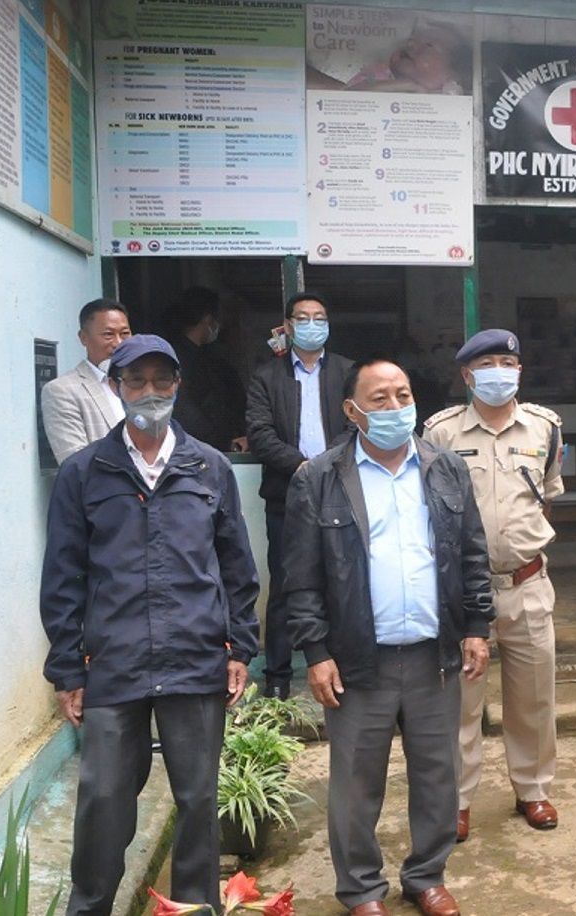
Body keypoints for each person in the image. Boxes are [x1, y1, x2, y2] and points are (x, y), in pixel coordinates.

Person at [40, 334, 260, 915]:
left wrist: (240, 646)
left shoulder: (209, 467)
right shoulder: (85, 472)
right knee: (104, 799)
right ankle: (90, 907)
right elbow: (63, 576)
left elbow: (237, 566)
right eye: (136, 381)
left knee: (198, 798)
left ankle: (193, 909)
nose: (150, 392)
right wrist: (68, 668)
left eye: (162, 380)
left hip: (195, 657)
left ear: (178, 385)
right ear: (116, 388)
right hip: (115, 660)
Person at [283, 358, 493, 916]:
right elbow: (299, 577)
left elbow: (472, 553)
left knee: (438, 774)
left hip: (433, 655)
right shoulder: (319, 478)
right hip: (358, 661)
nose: (396, 407)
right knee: (356, 781)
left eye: (403, 395)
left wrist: (477, 627)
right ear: (352, 411)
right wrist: (316, 651)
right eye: (380, 399)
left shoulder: (446, 468)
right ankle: (360, 888)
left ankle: (426, 876)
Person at [423, 329, 564, 843]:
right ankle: (457, 800)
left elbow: (546, 497)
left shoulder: (545, 427)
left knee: (534, 696)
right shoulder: (441, 432)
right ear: (467, 375)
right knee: (461, 702)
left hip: (527, 582)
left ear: (520, 371)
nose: (499, 372)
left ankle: (533, 789)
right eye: (487, 364)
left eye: (508, 362)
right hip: (465, 591)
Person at [245, 291, 355, 699]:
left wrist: (327, 465)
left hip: (341, 490)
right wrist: (302, 466)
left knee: (343, 578)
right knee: (286, 583)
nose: (312, 324)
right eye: (304, 318)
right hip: (286, 495)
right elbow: (260, 433)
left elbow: (357, 425)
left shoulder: (347, 371)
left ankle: (344, 666)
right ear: (289, 326)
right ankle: (277, 676)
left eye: (319, 317)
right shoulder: (266, 377)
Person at [40, 298, 133, 464]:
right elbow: (75, 464)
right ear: (83, 337)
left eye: (125, 334)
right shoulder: (62, 391)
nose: (118, 343)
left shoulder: (142, 385)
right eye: (108, 334)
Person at [167, 286, 247, 452]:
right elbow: (187, 412)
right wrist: (224, 442)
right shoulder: (179, 359)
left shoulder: (207, 357)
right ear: (208, 319)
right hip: (197, 448)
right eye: (219, 318)